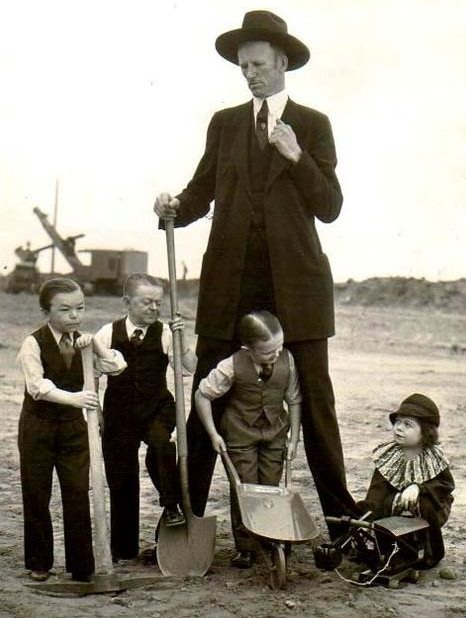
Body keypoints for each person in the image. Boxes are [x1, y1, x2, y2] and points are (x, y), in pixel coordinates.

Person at [154, 10, 358, 537]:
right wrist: (173, 205)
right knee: (204, 391)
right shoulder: (224, 124)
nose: (250, 74)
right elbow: (201, 192)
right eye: (243, 66)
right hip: (230, 283)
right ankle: (186, 515)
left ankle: (341, 521)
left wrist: (295, 156)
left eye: (259, 64)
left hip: (299, 288)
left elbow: (330, 205)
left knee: (316, 403)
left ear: (283, 62)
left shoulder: (312, 125)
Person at [17, 277, 126, 583]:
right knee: (37, 492)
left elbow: (118, 366)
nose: (74, 316)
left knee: (77, 492)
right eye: (65, 310)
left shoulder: (85, 343)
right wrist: (75, 399)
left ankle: (82, 565)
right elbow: (37, 387)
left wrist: (97, 345)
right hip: (38, 427)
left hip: (73, 430)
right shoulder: (33, 343)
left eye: (79, 308)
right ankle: (39, 562)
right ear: (45, 312)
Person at [94, 273, 196, 563]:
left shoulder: (165, 332)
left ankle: (171, 503)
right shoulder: (107, 333)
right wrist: (98, 413)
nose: (154, 308)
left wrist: (182, 338)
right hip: (119, 413)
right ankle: (124, 548)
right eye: (147, 302)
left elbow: (188, 369)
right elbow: (92, 376)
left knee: (162, 445)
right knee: (121, 477)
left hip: (156, 408)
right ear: (127, 302)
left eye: (158, 303)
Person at [195, 311, 301, 568]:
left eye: (279, 347)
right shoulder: (231, 364)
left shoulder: (287, 360)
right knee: (244, 488)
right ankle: (245, 545)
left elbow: (294, 399)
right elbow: (202, 395)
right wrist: (213, 434)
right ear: (248, 348)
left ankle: (272, 538)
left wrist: (295, 437)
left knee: (271, 487)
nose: (275, 355)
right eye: (267, 352)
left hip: (275, 434)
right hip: (240, 434)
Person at [358, 393, 455, 569]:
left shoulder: (433, 458)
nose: (399, 428)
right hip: (396, 505)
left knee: (425, 504)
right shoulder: (388, 456)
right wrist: (366, 512)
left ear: (426, 431)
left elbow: (445, 486)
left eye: (407, 424)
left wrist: (419, 488)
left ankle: (431, 552)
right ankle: (390, 551)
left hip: (431, 505)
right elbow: (377, 490)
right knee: (385, 503)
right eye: (397, 422)